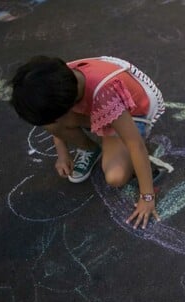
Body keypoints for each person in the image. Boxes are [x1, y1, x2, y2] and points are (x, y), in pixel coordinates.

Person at [10, 55, 168, 229]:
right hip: (101, 105)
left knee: (116, 177)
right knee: (48, 120)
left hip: (133, 111)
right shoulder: (56, 80)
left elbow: (134, 144)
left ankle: (117, 145)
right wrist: (62, 154)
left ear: (67, 107)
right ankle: (90, 149)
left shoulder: (105, 94)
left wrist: (147, 196)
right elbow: (52, 119)